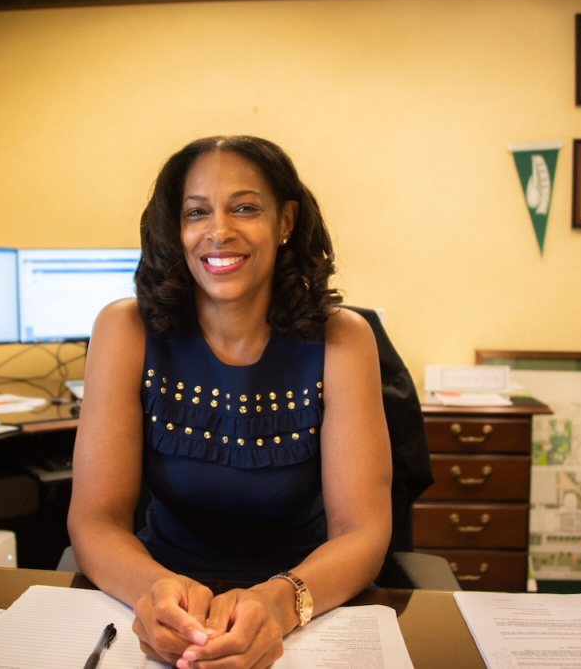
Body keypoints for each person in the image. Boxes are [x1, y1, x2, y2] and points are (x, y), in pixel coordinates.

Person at [67, 136, 392, 669]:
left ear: (285, 221)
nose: (219, 231)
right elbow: (95, 519)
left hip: (308, 606)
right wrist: (158, 595)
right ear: (177, 228)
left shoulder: (344, 339)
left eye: (245, 208)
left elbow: (363, 531)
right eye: (197, 212)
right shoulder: (123, 330)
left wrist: (279, 603)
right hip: (164, 607)